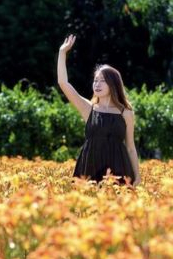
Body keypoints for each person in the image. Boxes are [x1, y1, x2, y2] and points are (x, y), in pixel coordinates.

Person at [57, 34, 141, 187]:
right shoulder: (88, 109)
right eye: (96, 80)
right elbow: (63, 83)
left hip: (119, 170)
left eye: (103, 80)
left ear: (113, 84)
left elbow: (130, 147)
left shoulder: (126, 113)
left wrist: (137, 177)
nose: (97, 84)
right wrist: (62, 52)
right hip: (89, 168)